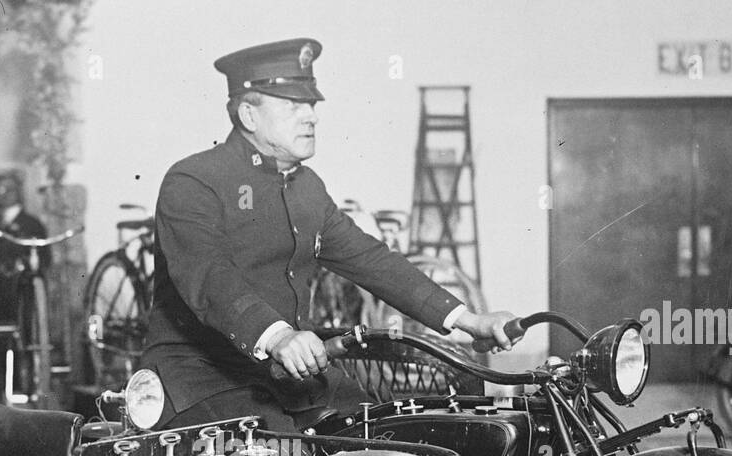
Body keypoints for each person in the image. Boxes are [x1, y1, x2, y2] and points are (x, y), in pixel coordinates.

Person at [141, 38, 521, 431]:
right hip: (202, 376)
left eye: (311, 105)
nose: (311, 117)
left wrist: (468, 320)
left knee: (386, 437)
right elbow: (210, 276)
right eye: (292, 106)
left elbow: (371, 260)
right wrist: (278, 337)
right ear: (248, 115)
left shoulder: (307, 188)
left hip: (287, 374)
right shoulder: (194, 180)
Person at [0, 175, 51, 326]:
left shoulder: (32, 224)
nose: (2, 194)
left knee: (25, 333)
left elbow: (44, 258)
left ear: (18, 192)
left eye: (8, 190)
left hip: (23, 293)